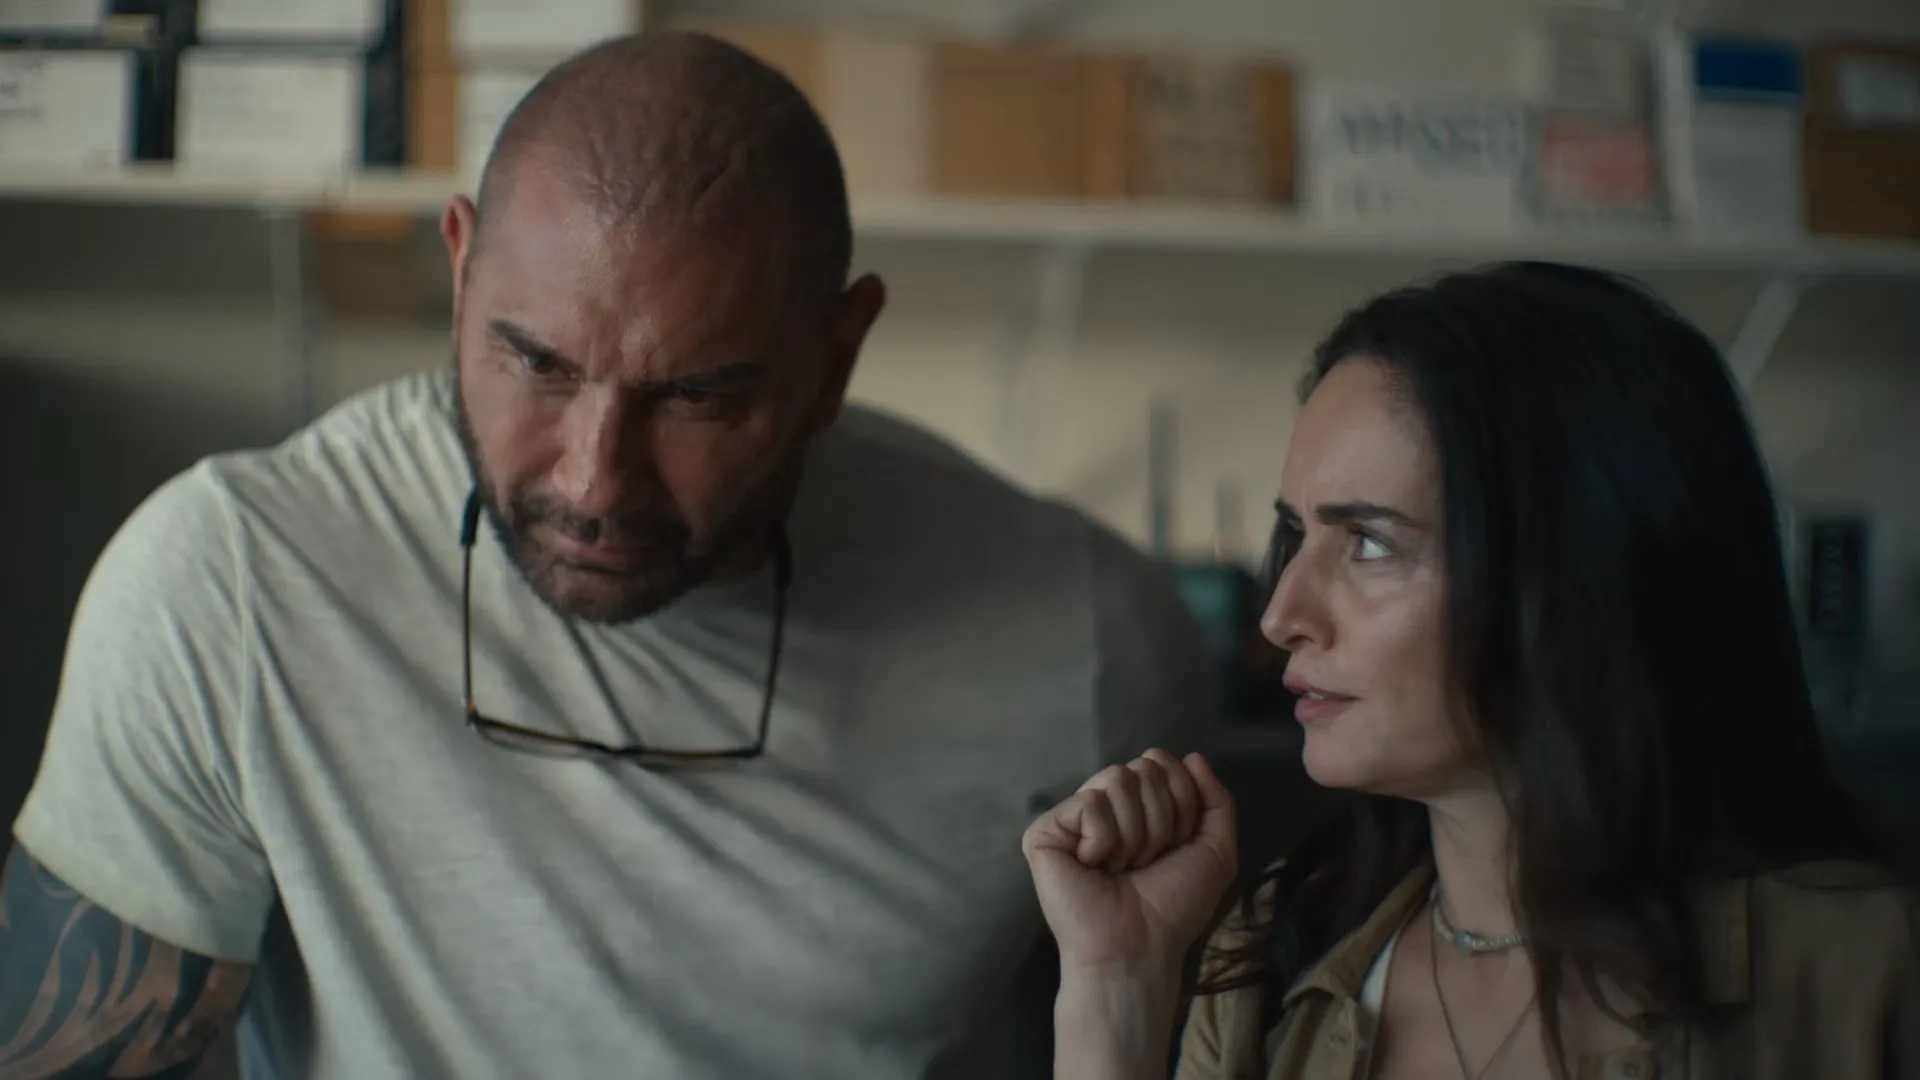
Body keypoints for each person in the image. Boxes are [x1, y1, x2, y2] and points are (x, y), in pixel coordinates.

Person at [1, 30, 1211, 1080]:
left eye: (695, 397)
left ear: (836, 356)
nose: (592, 480)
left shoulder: (1087, 640)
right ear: (462, 269)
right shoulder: (232, 588)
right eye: (536, 363)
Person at [1024, 262, 1920, 1079]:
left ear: (1577, 576)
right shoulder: (1267, 964)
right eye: (1295, 535)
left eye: (1369, 543)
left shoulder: (1867, 971)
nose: (1281, 615)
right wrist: (1116, 987)